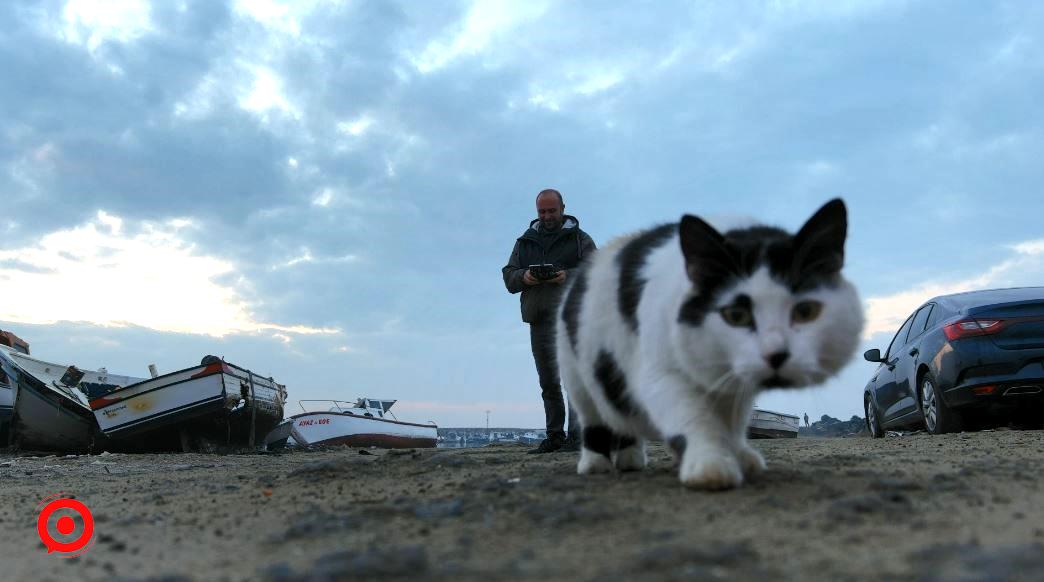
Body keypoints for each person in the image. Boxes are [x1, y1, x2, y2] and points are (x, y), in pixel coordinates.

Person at [503, 189, 596, 453]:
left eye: (551, 211)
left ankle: (576, 439)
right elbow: (508, 276)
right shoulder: (525, 242)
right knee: (548, 381)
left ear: (563, 208)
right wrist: (525, 278)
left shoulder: (580, 239)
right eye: (542, 212)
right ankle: (554, 436)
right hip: (539, 319)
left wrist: (568, 276)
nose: (546, 216)